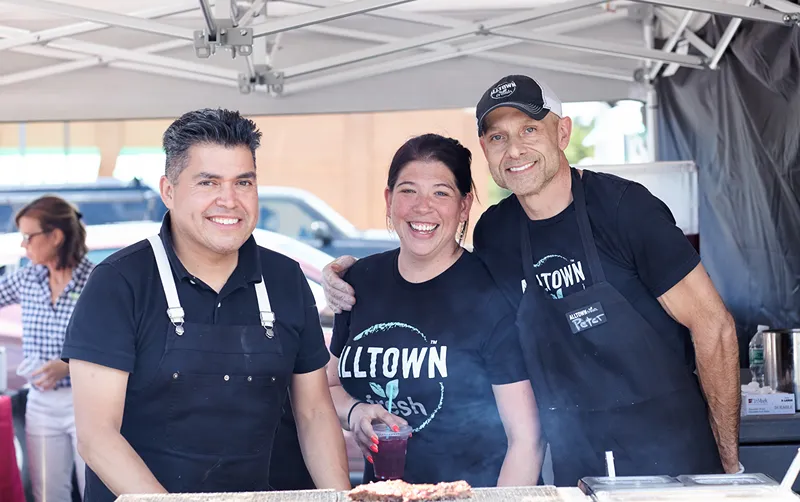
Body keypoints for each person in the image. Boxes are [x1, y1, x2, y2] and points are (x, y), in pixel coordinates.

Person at [323, 75, 741, 487]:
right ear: (485, 148)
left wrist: (729, 467)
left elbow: (714, 326)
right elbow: (440, 271)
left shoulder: (623, 209)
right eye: (498, 137)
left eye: (529, 129)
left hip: (671, 452)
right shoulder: (496, 232)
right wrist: (343, 276)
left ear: (562, 132)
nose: (515, 149)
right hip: (577, 460)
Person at [61, 108, 351, 501]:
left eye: (243, 182)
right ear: (168, 191)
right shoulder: (119, 283)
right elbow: (97, 436)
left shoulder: (285, 279)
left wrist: (340, 497)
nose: (229, 200)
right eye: (208, 182)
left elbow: (314, 413)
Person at [327, 133, 543, 488]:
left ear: (464, 205)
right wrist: (355, 411)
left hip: (468, 495)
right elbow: (328, 385)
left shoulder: (491, 296)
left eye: (441, 192)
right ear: (389, 199)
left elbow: (527, 439)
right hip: (381, 494)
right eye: (408, 190)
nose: (422, 206)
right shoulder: (359, 282)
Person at [0, 196, 92, 502]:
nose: (23, 246)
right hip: (41, 402)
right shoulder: (28, 278)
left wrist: (68, 364)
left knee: (96, 489)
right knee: (47, 493)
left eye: (28, 237)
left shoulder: (97, 280)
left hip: (90, 403)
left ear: (55, 236)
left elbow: (120, 340)